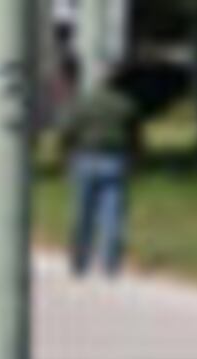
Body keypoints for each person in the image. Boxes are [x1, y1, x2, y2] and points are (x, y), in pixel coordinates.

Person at [61, 62, 143, 279]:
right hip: (115, 161)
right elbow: (136, 138)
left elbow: (68, 132)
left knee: (82, 214)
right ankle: (110, 264)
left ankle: (80, 262)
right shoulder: (125, 104)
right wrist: (136, 160)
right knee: (112, 216)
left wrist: (66, 157)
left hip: (85, 159)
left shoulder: (83, 103)